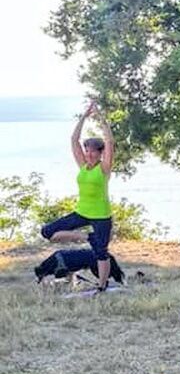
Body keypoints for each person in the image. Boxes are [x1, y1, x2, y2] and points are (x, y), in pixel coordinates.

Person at [41, 101, 115, 291]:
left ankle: (101, 287)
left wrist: (100, 118)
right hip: (81, 212)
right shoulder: (83, 165)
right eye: (87, 150)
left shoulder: (104, 168)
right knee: (48, 232)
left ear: (100, 154)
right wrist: (84, 116)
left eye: (93, 151)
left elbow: (110, 142)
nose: (89, 153)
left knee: (101, 252)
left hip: (101, 215)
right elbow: (74, 140)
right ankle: (84, 236)